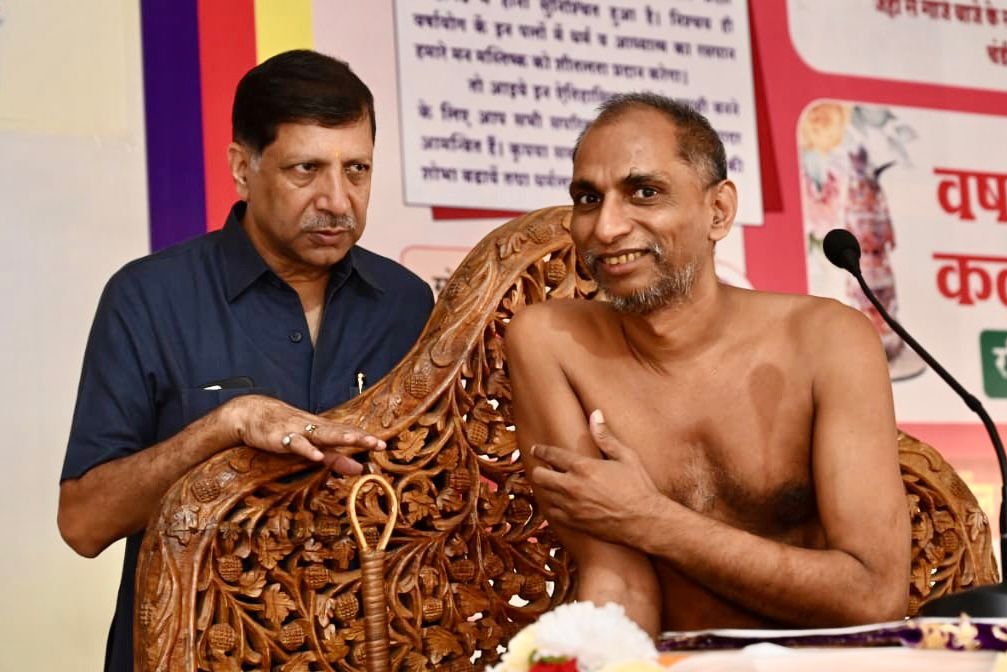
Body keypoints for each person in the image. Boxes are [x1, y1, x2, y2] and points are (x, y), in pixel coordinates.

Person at [57, 50, 434, 670]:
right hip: (193, 651)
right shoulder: (150, 298)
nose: (337, 200)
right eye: (306, 169)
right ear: (242, 168)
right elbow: (83, 522)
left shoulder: (406, 304)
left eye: (357, 170)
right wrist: (224, 426)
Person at [506, 93, 910, 634]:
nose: (605, 228)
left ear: (717, 211)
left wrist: (651, 519)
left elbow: (874, 595)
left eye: (644, 192)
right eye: (587, 198)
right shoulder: (551, 342)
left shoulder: (827, 339)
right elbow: (618, 581)